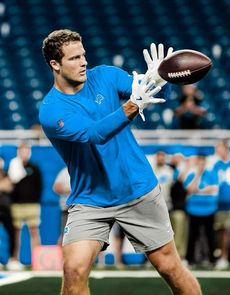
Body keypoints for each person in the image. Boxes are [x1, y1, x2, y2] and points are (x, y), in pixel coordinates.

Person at [39, 29, 201, 295]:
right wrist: (133, 106)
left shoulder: (105, 75)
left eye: (84, 55)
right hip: (91, 199)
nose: (84, 62)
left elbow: (149, 94)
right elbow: (95, 133)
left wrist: (158, 78)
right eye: (74, 58)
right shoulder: (52, 110)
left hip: (137, 188)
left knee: (170, 267)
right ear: (54, 64)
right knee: (73, 270)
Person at [7, 142, 42, 270]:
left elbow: (39, 186)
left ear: (29, 152)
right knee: (16, 232)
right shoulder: (13, 166)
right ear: (18, 152)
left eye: (26, 151)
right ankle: (14, 259)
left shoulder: (35, 168)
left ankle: (38, 261)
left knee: (34, 232)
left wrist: (35, 200)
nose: (24, 153)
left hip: (32, 205)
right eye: (22, 151)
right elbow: (10, 184)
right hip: (17, 205)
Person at [183, 155, 219, 266]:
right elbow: (189, 189)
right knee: (192, 236)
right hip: (194, 210)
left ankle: (212, 260)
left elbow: (214, 189)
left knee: (210, 236)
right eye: (199, 163)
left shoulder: (212, 174)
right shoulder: (192, 175)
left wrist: (198, 190)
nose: (201, 166)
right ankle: (190, 259)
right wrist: (198, 175)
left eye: (203, 163)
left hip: (209, 209)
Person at [213, 139, 230, 269]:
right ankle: (223, 257)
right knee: (222, 231)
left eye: (218, 148)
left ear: (225, 148)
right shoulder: (217, 165)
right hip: (220, 203)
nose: (216, 151)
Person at [0, 157, 14, 268]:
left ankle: (10, 259)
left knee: (10, 233)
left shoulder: (5, 174)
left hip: (5, 208)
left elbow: (9, 187)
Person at [53, 167, 70, 245]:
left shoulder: (87, 171)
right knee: (65, 235)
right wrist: (71, 190)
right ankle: (62, 256)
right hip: (67, 210)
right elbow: (56, 187)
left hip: (84, 210)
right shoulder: (64, 172)